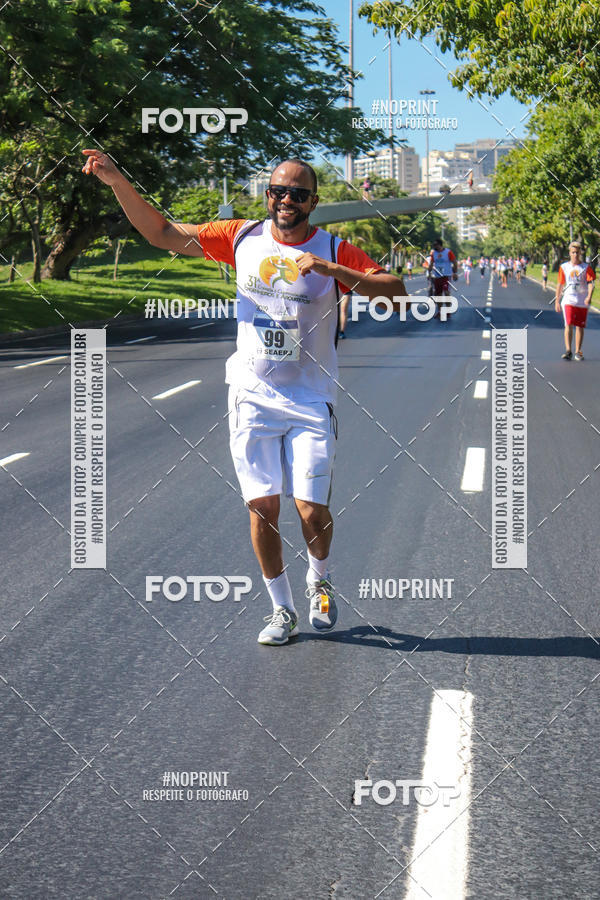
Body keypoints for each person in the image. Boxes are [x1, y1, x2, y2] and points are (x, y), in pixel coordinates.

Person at [82, 151, 407, 644]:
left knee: (310, 510)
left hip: (310, 397)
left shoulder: (334, 248)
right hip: (252, 396)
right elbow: (162, 234)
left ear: (313, 202)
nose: (285, 200)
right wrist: (115, 179)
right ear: (268, 195)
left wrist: (332, 270)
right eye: (278, 191)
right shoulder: (240, 236)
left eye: (297, 194)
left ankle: (319, 580)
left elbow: (396, 293)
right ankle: (282, 611)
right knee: (262, 508)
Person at [555, 241, 595, 360]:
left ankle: (578, 351)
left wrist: (589, 296)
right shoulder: (564, 267)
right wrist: (557, 300)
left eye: (577, 252)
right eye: (573, 252)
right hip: (568, 299)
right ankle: (568, 350)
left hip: (582, 301)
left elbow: (591, 283)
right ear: (569, 253)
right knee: (569, 324)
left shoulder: (585, 267)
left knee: (580, 326)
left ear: (580, 253)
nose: (575, 255)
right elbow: (560, 284)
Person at [429, 238, 458, 318]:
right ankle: (440, 311)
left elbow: (454, 261)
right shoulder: (434, 253)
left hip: (446, 276)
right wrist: (429, 271)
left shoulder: (448, 252)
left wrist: (455, 272)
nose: (434, 246)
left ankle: (448, 311)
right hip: (437, 276)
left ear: (440, 245)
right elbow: (431, 263)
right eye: (434, 245)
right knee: (438, 295)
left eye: (435, 245)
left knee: (446, 293)